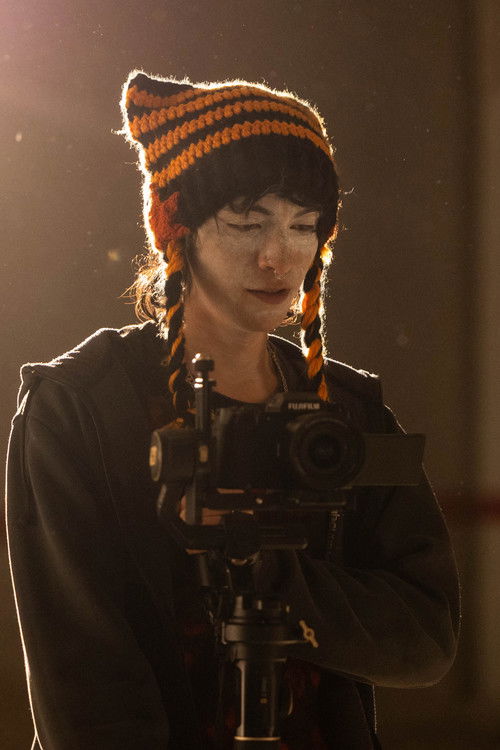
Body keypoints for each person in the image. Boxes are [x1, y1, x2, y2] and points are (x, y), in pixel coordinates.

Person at [6, 71, 460, 750]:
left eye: (303, 226)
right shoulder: (83, 411)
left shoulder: (344, 416)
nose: (279, 257)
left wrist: (269, 579)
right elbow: (86, 696)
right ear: (177, 228)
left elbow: (424, 638)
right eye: (247, 223)